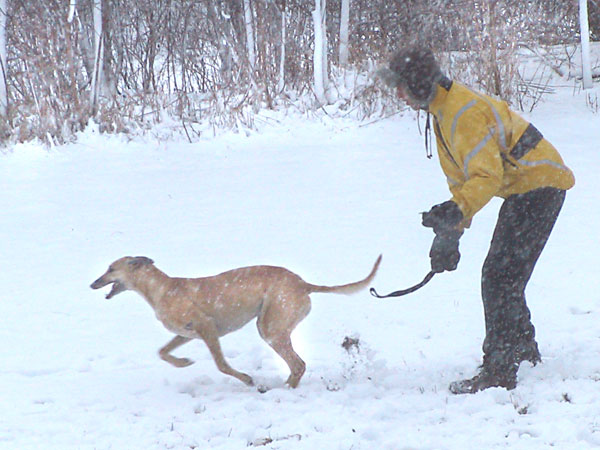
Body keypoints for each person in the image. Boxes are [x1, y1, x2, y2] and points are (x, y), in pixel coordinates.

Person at [378, 46, 575, 394]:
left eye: (401, 87)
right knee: (504, 276)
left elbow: (487, 177)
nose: (398, 95)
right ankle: (522, 350)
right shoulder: (443, 111)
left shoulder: (461, 112)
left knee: (499, 277)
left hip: (539, 183)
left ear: (419, 84)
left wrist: (456, 211)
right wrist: (449, 233)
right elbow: (463, 182)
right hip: (529, 186)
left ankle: (500, 369)